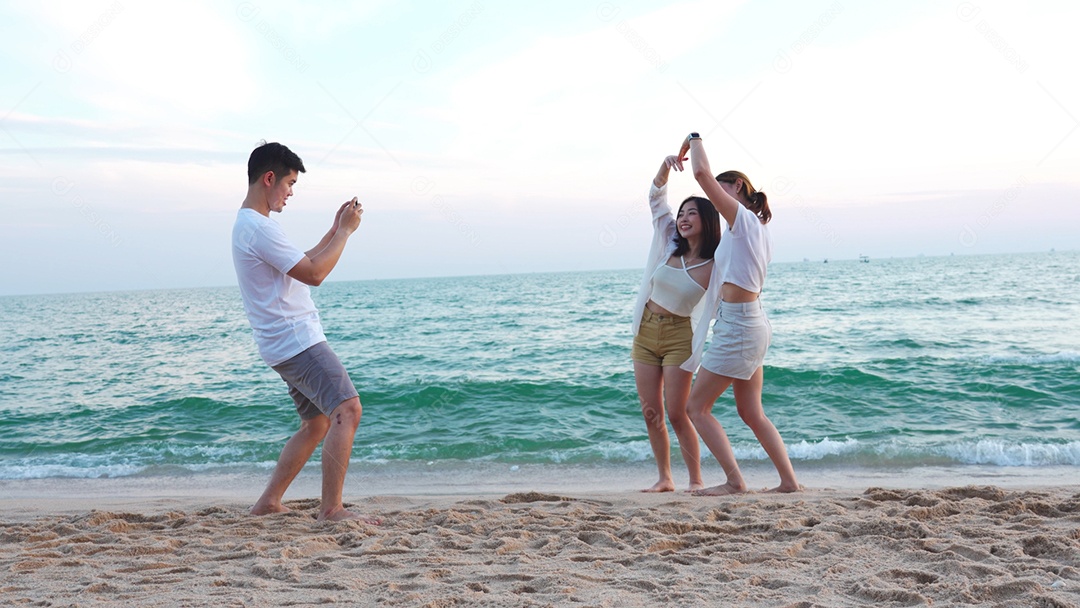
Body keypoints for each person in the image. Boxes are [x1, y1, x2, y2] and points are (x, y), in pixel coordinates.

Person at [231, 141, 377, 522]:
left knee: (317, 423)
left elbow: (304, 262)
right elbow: (315, 274)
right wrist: (345, 233)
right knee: (348, 409)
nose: (291, 193)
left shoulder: (251, 226)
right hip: (297, 340)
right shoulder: (258, 228)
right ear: (269, 179)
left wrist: (334, 229)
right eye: (289, 183)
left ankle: (268, 502)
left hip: (281, 343)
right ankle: (332, 510)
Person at [678, 132, 800, 496]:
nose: (714, 196)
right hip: (750, 321)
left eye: (721, 188)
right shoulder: (752, 228)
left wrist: (693, 139)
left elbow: (700, 173)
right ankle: (789, 482)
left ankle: (734, 481)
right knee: (751, 412)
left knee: (696, 408)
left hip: (742, 325)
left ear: (738, 188)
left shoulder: (744, 221)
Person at [631, 154, 723, 492]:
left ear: (707, 220)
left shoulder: (716, 263)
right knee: (651, 412)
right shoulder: (668, 241)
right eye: (681, 213)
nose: (683, 219)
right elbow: (656, 198)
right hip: (645, 331)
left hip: (678, 336)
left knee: (677, 413)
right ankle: (665, 478)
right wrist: (666, 166)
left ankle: (696, 481)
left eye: (692, 213)